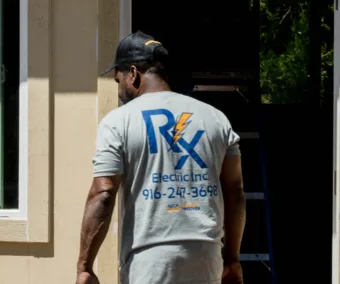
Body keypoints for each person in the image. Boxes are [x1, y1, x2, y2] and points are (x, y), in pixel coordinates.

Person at [76, 30, 246, 284]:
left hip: (150, 261)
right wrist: (231, 260)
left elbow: (103, 193)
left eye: (118, 80)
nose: (120, 89)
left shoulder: (118, 122)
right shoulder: (215, 118)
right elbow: (235, 192)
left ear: (133, 74)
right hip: (206, 255)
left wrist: (85, 267)